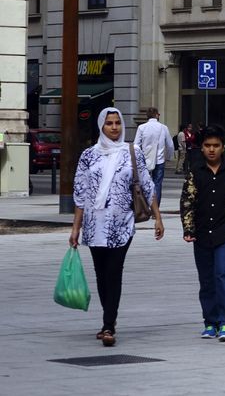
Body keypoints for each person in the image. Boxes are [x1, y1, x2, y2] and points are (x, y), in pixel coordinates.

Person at [70, 107, 164, 347]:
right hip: (93, 224)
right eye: (109, 123)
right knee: (101, 275)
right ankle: (107, 318)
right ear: (101, 126)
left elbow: (147, 185)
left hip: (121, 223)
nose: (114, 127)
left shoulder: (132, 152)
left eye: (117, 123)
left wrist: (158, 217)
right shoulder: (89, 156)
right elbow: (80, 194)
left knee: (114, 271)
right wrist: (75, 228)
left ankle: (109, 324)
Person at [180, 124, 225, 342]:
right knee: (207, 279)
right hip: (201, 233)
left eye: (216, 146)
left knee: (223, 275)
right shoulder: (195, 172)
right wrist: (188, 229)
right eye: (207, 145)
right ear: (201, 148)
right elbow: (187, 202)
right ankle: (210, 322)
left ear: (223, 147)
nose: (212, 149)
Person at [134, 106, 175, 205]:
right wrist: (169, 157)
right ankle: (155, 208)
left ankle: (146, 205)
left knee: (145, 183)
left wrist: (137, 159)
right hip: (159, 160)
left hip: (145, 160)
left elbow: (136, 145)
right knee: (157, 184)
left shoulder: (141, 128)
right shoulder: (163, 128)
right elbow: (170, 144)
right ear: (157, 115)